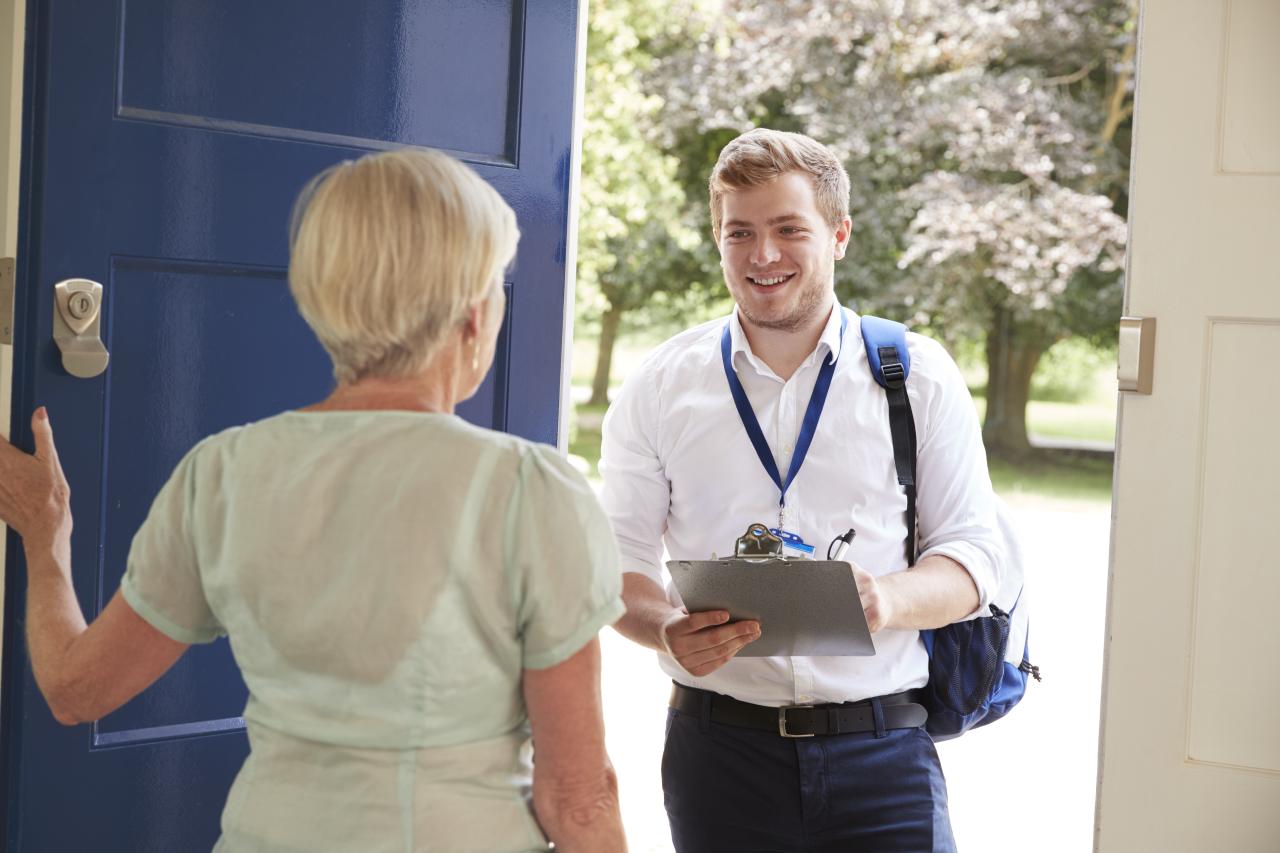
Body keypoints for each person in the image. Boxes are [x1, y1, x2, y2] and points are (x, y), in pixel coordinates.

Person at [0, 149, 627, 853]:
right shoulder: (534, 491)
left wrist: (44, 534)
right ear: (474, 316)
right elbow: (578, 798)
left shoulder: (222, 473)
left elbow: (74, 689)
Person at [600, 128, 1005, 852]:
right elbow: (616, 569)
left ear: (839, 234)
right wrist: (663, 628)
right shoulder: (659, 386)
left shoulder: (918, 376)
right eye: (740, 232)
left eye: (789, 230)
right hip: (717, 755)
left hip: (883, 753)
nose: (763, 255)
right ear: (718, 239)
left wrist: (888, 600)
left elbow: (976, 560)